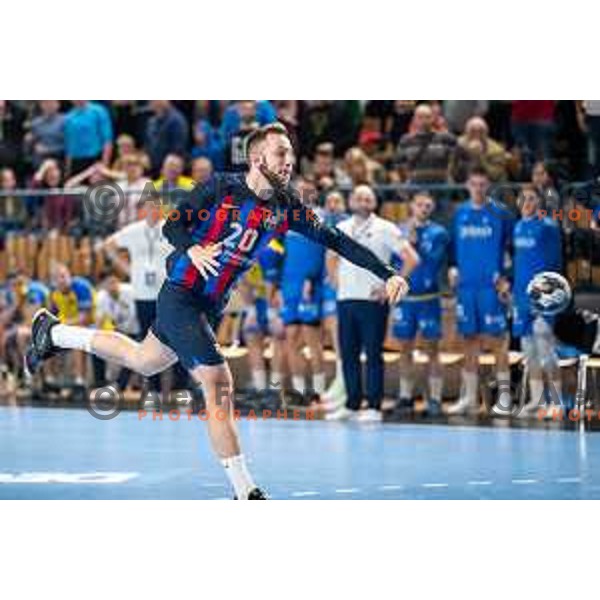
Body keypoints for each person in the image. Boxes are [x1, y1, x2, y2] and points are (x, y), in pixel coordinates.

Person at [25, 122, 409, 500]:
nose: (289, 160)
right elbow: (172, 227)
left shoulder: (286, 205)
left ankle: (54, 334)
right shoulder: (221, 187)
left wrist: (387, 271)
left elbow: (336, 239)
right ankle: (246, 492)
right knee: (218, 381)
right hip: (181, 295)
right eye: (281, 153)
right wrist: (192, 248)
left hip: (210, 306)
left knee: (144, 360)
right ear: (257, 158)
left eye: (291, 154)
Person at [325, 184, 417, 422]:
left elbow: (411, 259)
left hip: (372, 301)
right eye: (358, 198)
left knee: (373, 353)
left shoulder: (386, 228)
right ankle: (352, 404)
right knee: (348, 353)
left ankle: (374, 406)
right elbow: (330, 256)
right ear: (351, 202)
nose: (363, 202)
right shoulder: (341, 227)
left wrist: (391, 286)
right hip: (346, 299)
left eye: (368, 198)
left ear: (374, 203)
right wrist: (336, 280)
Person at [446, 168, 513, 416]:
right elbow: (451, 248)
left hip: (491, 287)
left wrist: (508, 278)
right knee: (469, 341)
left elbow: (513, 248)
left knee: (497, 341)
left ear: (489, 186)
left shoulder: (500, 214)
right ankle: (469, 399)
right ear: (467, 185)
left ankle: (505, 398)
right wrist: (452, 267)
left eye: (483, 184)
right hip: (466, 288)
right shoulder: (459, 214)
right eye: (474, 184)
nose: (478, 188)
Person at [101, 197, 173, 400]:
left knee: (166, 339)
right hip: (142, 293)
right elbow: (108, 244)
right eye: (149, 207)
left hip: (164, 293)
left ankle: (173, 388)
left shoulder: (170, 228)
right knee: (146, 339)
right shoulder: (134, 230)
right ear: (143, 210)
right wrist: (127, 269)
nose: (153, 211)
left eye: (157, 207)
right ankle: (153, 388)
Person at [391, 192, 449, 418]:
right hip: (405, 299)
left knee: (432, 349)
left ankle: (434, 398)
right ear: (411, 206)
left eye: (427, 205)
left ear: (432, 208)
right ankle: (405, 397)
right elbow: (393, 261)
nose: (423, 208)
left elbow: (434, 260)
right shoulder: (398, 231)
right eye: (419, 204)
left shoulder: (439, 233)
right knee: (404, 348)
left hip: (428, 298)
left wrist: (415, 245)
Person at [512, 185, 563, 415]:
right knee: (529, 352)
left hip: (543, 299)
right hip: (521, 299)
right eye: (524, 199)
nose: (527, 203)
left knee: (546, 352)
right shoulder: (518, 227)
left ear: (539, 202)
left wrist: (550, 298)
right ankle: (536, 400)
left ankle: (557, 401)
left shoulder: (548, 227)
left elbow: (555, 267)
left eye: (532, 199)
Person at [64, 101, 113, 176]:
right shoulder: (68, 117)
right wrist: (68, 169)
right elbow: (69, 145)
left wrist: (105, 163)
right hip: (76, 161)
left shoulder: (99, 111)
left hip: (95, 159)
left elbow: (107, 139)